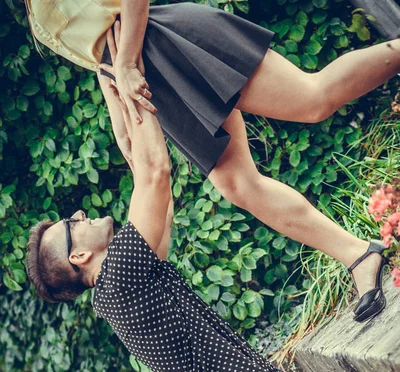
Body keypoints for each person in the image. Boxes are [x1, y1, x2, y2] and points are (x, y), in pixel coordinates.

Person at [25, 25, 400, 372]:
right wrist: (124, 68)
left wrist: (110, 71)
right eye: (72, 222)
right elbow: (153, 171)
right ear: (79, 255)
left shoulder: (130, 276)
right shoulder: (120, 280)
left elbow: (136, 156)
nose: (79, 210)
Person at [23, 0, 399, 321]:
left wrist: (124, 67)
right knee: (238, 184)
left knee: (312, 99)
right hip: (143, 77)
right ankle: (359, 255)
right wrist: (117, 108)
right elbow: (98, 53)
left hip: (159, 47)